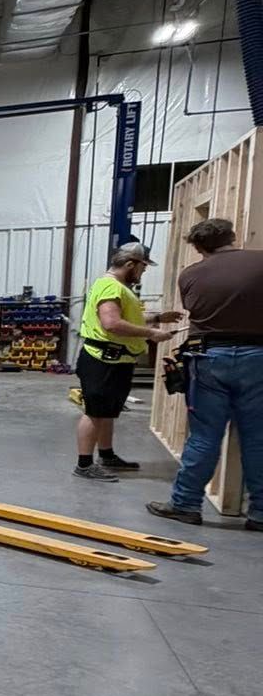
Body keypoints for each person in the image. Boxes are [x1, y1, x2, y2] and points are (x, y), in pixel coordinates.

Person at [146, 216, 263, 528]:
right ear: (232, 236)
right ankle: (260, 512)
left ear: (199, 247)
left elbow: (195, 310)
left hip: (208, 357)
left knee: (204, 435)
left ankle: (185, 504)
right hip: (258, 357)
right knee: (257, 436)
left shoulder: (191, 275)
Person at [72, 241, 178, 480]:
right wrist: (152, 333)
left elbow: (127, 316)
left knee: (107, 411)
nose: (143, 272)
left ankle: (106, 455)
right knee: (95, 412)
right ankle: (84, 465)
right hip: (103, 360)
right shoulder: (111, 287)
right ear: (130, 264)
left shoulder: (114, 286)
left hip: (114, 359)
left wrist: (158, 317)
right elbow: (112, 323)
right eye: (142, 267)